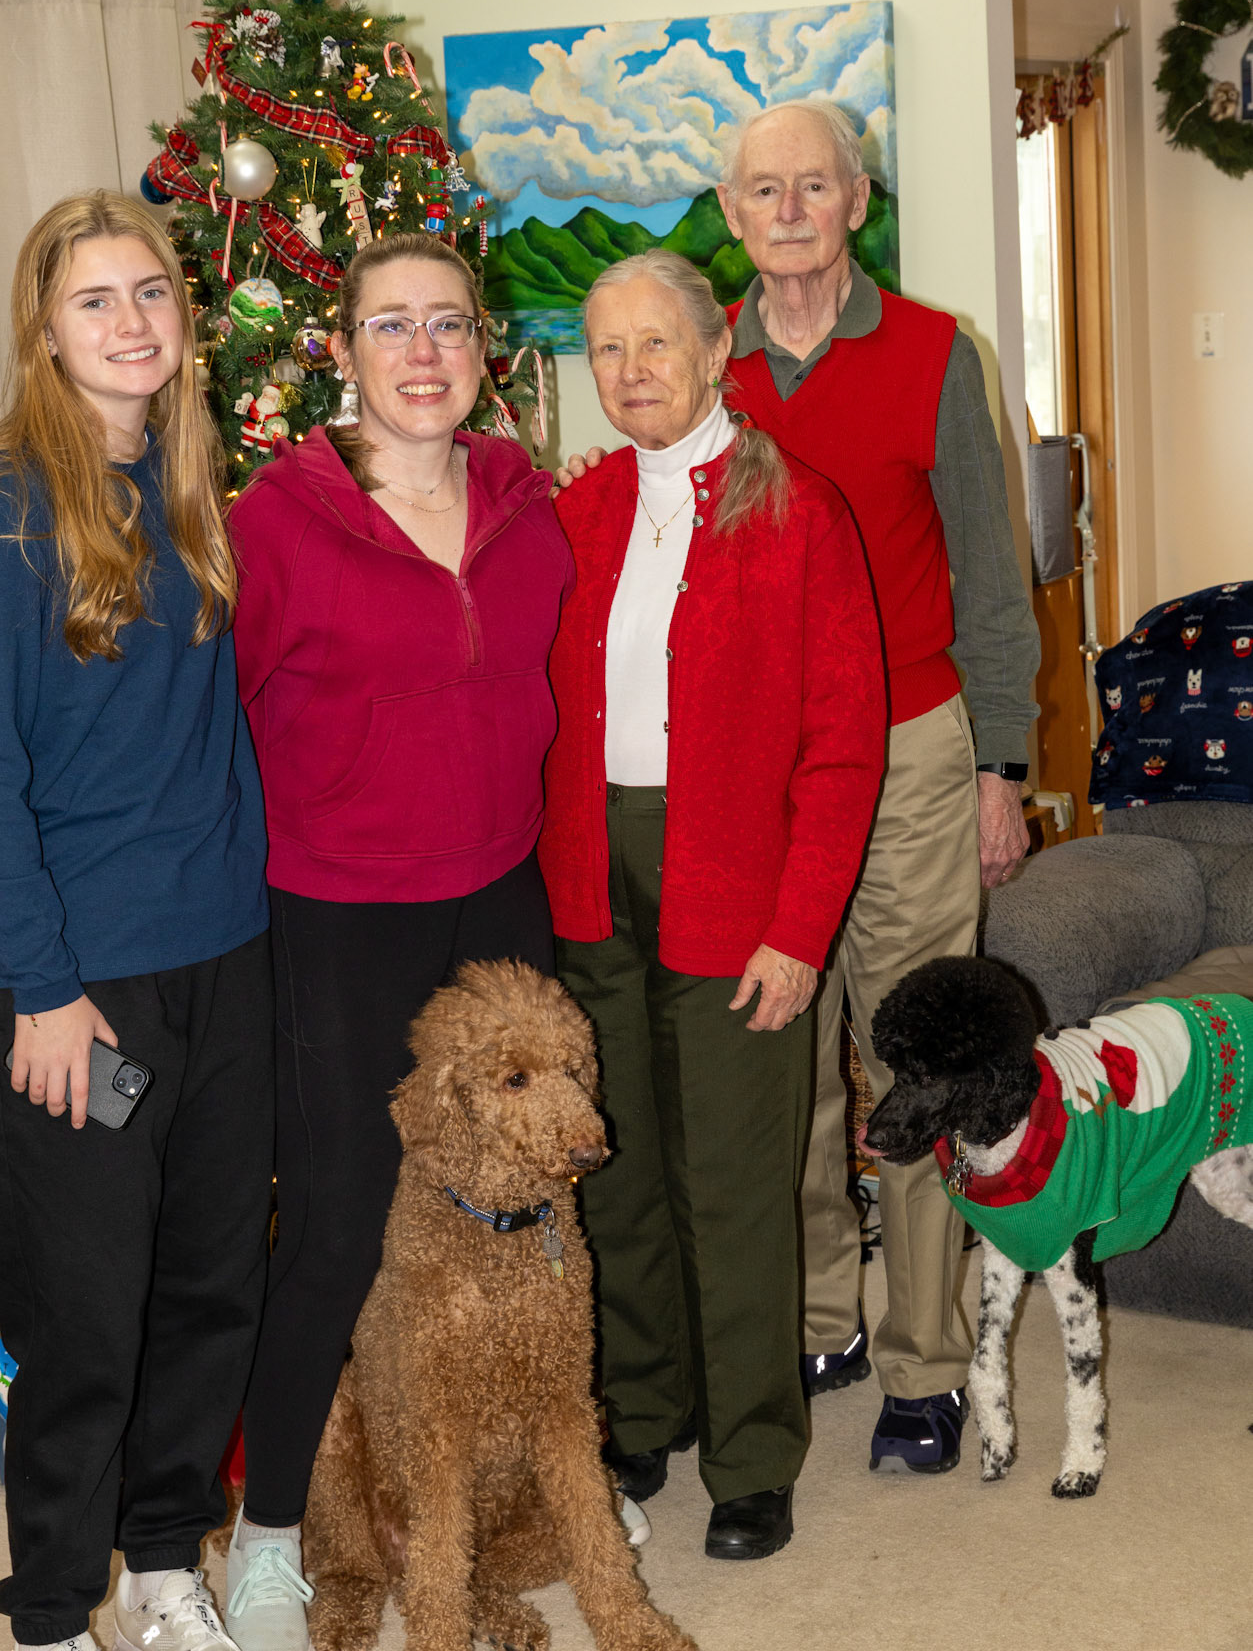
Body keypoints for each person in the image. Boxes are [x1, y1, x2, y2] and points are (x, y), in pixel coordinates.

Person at [0, 192, 273, 1651]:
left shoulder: (189, 486)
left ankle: (165, 1563)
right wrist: (40, 991)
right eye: (94, 301)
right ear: (45, 332)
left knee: (210, 1285)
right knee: (81, 1312)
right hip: (79, 987)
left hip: (226, 958)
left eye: (152, 294)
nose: (132, 323)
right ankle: (56, 1607)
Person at [224, 232, 573, 1650]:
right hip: (341, 907)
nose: (422, 352)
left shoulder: (525, 504)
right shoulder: (277, 521)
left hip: (499, 893)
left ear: (483, 347)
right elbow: (217, 727)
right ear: (343, 350)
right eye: (390, 326)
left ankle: (521, 1494)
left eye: (446, 324)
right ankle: (267, 1537)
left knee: (523, 1201)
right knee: (340, 1221)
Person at [538, 251, 885, 1562]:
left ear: (714, 347)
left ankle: (750, 1453)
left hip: (739, 886)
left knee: (735, 1183)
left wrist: (799, 931)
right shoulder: (575, 512)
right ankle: (645, 1408)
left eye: (655, 343)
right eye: (607, 349)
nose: (631, 371)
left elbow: (843, 746)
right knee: (616, 1167)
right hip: (591, 880)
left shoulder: (797, 510)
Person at [717, 101, 1041, 1475]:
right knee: (781, 1056)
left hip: (910, 747)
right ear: (731, 213)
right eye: (763, 189)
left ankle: (925, 1360)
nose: (789, 209)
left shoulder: (933, 352)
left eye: (815, 185)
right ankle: (819, 1322)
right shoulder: (702, 359)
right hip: (762, 766)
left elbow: (989, 571)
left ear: (857, 201)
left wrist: (999, 766)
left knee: (914, 1057)